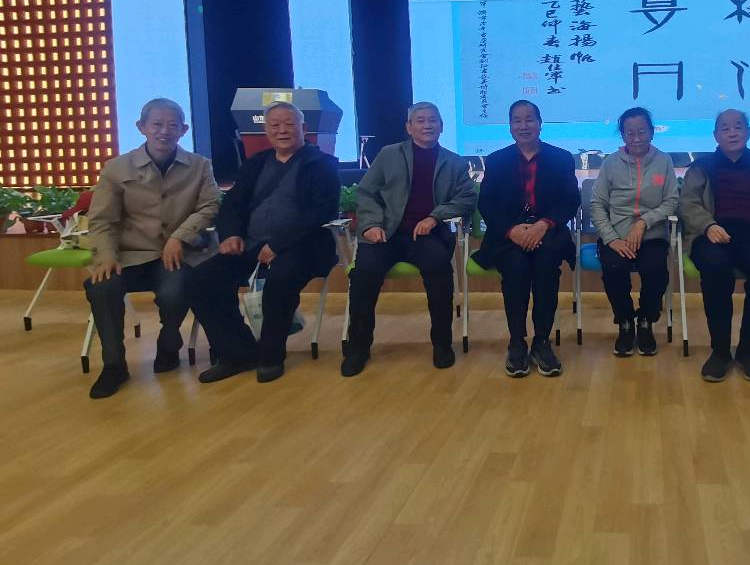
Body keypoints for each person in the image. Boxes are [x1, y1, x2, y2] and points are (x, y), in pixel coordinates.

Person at [188, 102, 339, 384]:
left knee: (280, 281)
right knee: (201, 280)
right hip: (250, 243)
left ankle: (271, 355)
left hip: (303, 246)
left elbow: (321, 212)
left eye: (289, 124)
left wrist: (279, 244)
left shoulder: (322, 165)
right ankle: (237, 353)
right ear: (266, 131)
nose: (282, 130)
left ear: (304, 128)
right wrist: (230, 234)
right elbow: (232, 204)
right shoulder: (255, 164)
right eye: (275, 125)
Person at [82, 99, 220, 399]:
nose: (164, 131)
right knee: (101, 286)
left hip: (176, 254)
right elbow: (103, 220)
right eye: (157, 124)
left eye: (172, 125)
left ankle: (169, 344)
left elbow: (210, 206)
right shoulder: (116, 168)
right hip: (130, 255)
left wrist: (179, 237)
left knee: (176, 290)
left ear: (183, 130)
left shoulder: (200, 165)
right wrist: (106, 257)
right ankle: (114, 365)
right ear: (141, 127)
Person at [341, 102, 477, 376]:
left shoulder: (455, 163)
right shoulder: (389, 155)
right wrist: (371, 224)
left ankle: (442, 344)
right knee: (364, 274)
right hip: (385, 233)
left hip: (426, 235)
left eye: (433, 120)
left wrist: (435, 217)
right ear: (409, 127)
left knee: (439, 270)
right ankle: (358, 348)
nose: (427, 125)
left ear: (442, 126)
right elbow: (366, 193)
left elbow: (466, 198)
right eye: (420, 120)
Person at [473, 100, 580, 378]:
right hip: (508, 236)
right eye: (517, 120)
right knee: (516, 269)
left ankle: (542, 342)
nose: (524, 126)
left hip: (548, 232)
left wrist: (544, 224)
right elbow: (487, 203)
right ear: (510, 126)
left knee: (546, 268)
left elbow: (570, 200)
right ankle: (517, 343)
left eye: (529, 119)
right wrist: (512, 230)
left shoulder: (561, 158)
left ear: (540, 124)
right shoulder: (496, 160)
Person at [679, 109, 750, 383]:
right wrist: (708, 225)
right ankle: (720, 351)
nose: (732, 133)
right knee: (715, 267)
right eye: (725, 128)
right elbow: (688, 204)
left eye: (738, 127)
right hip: (711, 235)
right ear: (716, 135)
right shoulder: (701, 167)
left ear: (748, 132)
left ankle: (748, 350)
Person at [591, 107, 679, 357]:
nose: (637, 138)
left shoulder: (664, 161)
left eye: (642, 132)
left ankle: (646, 320)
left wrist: (643, 223)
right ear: (622, 135)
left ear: (652, 132)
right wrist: (611, 238)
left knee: (656, 271)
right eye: (630, 133)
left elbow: (672, 201)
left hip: (651, 236)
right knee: (614, 269)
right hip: (617, 236)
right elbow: (597, 204)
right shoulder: (610, 163)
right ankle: (625, 321)